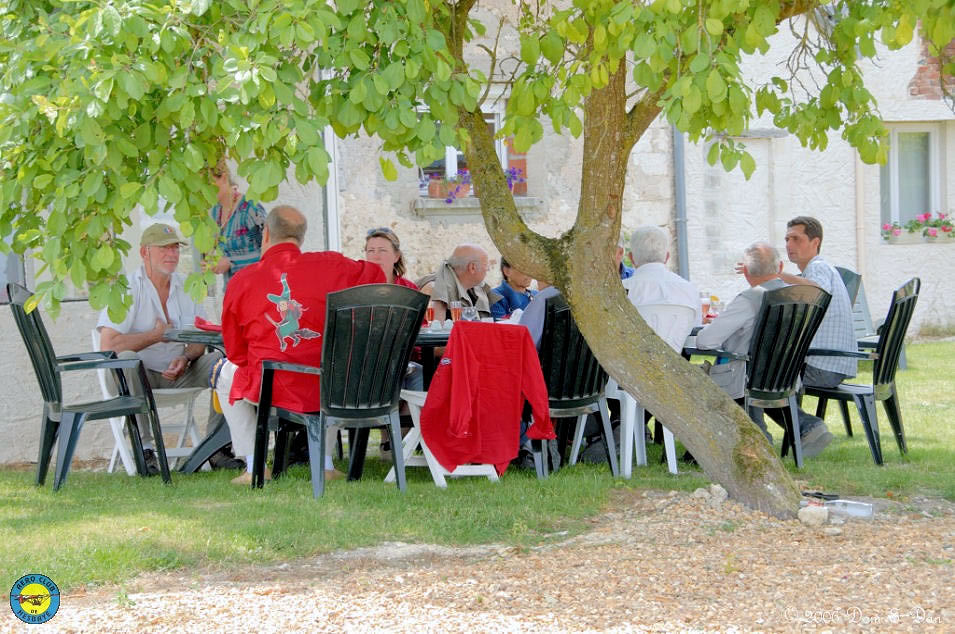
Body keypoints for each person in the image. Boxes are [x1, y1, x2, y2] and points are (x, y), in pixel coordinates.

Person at [214, 206, 385, 485]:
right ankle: (325, 464)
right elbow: (377, 275)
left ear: (266, 234)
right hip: (326, 383)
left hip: (272, 384)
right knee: (332, 365)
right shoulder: (332, 265)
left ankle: (255, 465)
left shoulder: (242, 279)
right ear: (301, 237)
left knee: (224, 373)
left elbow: (235, 351)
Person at [97, 223, 228, 474]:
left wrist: (186, 357)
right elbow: (109, 345)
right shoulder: (126, 288)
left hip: (178, 373)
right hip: (136, 378)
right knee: (127, 358)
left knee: (223, 362)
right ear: (144, 252)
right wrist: (155, 336)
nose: (172, 254)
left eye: (175, 248)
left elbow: (199, 337)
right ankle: (145, 450)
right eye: (164, 248)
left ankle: (218, 447)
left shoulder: (187, 286)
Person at [761, 215, 856, 456]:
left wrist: (776, 276)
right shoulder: (816, 271)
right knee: (763, 375)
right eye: (787, 239)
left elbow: (817, 290)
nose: (789, 245)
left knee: (759, 379)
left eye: (796, 239)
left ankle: (806, 428)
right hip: (828, 363)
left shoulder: (818, 267)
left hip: (823, 366)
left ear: (815, 242)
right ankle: (803, 428)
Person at [696, 242, 787, 440]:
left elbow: (705, 341)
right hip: (786, 377)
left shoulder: (749, 299)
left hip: (745, 378)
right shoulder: (795, 297)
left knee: (695, 376)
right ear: (780, 267)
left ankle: (698, 447)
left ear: (745, 271)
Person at [623, 225, 701, 323]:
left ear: (631, 258)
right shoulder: (690, 290)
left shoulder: (619, 291)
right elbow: (696, 327)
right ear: (667, 257)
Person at [208, 159, 267, 285]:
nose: (204, 190)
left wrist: (232, 262)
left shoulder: (250, 209)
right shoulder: (215, 212)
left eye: (208, 183)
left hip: (257, 288)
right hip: (232, 290)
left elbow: (269, 252)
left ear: (224, 178)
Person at [430, 244, 503, 321]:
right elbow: (436, 327)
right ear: (472, 267)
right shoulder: (437, 289)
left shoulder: (475, 290)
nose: (488, 269)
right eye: (486, 265)